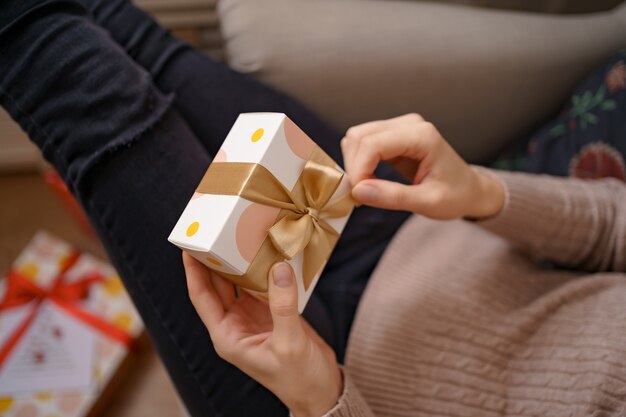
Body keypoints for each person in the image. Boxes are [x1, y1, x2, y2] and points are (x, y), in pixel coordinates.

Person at [1, 0, 625, 416]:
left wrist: (321, 399)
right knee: (134, 39)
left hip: (318, 372)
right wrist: (484, 194)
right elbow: (612, 227)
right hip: (400, 231)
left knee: (84, 89)